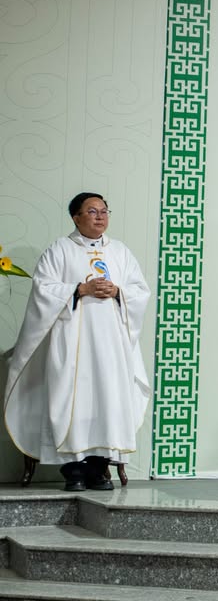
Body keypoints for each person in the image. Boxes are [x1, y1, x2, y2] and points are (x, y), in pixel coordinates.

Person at [4, 193, 151, 491]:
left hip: (111, 346)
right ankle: (74, 471)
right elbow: (43, 288)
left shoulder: (120, 252)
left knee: (108, 400)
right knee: (71, 399)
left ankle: (98, 469)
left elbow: (140, 290)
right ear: (76, 217)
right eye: (92, 211)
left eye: (104, 211)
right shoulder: (59, 250)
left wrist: (118, 292)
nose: (100, 216)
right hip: (72, 343)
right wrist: (80, 289)